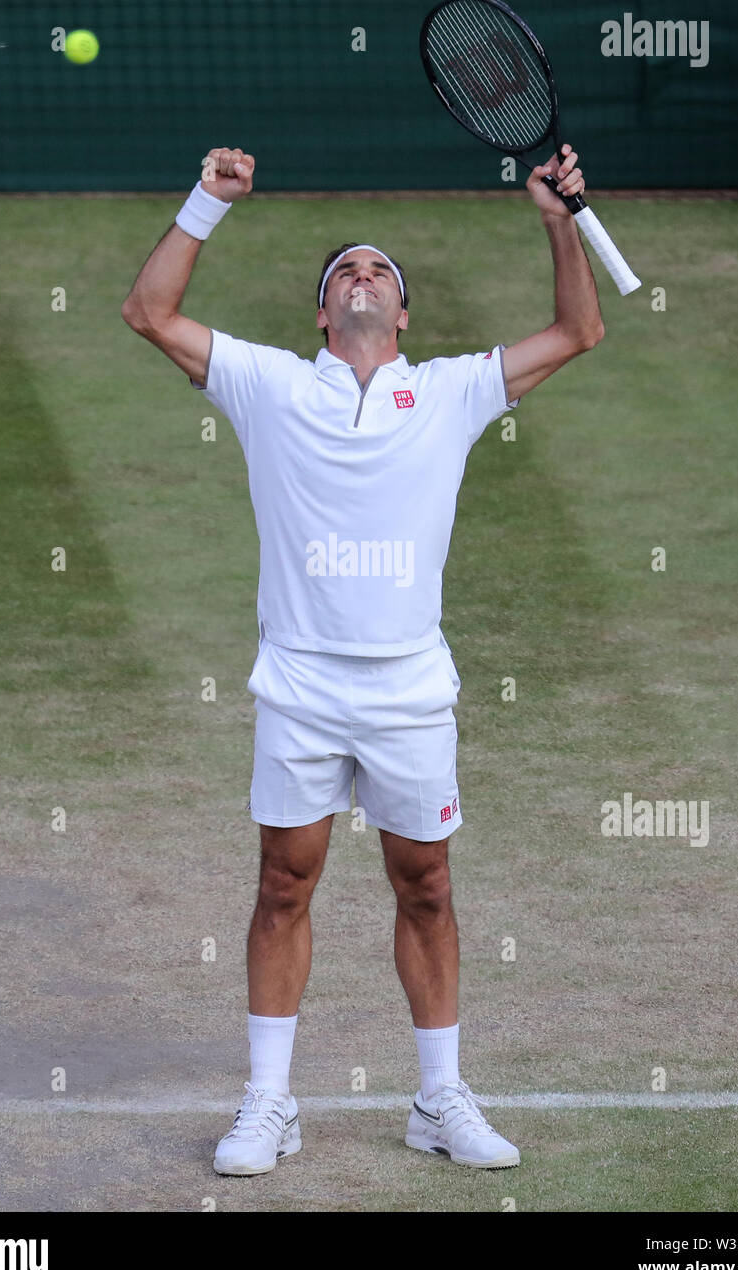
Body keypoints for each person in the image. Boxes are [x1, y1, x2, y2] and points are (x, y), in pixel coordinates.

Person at [121, 145, 603, 1176]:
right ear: (322, 314)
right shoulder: (268, 384)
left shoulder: (451, 391)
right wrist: (207, 201)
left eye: (379, 270)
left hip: (409, 690)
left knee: (425, 884)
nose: (362, 275)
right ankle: (269, 1103)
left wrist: (558, 222)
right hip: (298, 685)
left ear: (402, 314)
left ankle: (438, 1098)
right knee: (282, 883)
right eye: (344, 269)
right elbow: (149, 313)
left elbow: (578, 332)